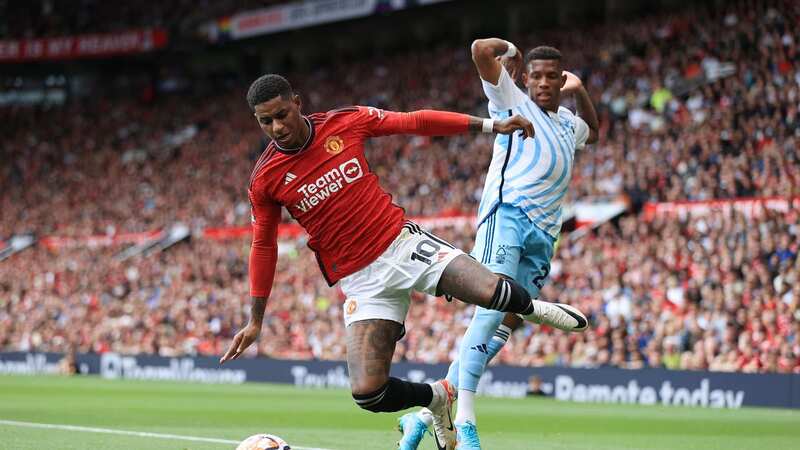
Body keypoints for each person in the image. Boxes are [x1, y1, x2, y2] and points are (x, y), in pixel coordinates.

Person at [219, 73, 574, 447]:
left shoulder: (345, 122)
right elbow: (263, 246)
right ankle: (437, 397)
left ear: (297, 102)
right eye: (265, 121)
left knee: (491, 291)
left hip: (402, 247)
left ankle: (535, 310)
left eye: (281, 114)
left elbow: (414, 121)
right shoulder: (265, 180)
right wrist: (255, 319)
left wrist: (490, 125)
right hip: (361, 281)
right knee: (368, 393)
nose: (277, 127)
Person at [397, 39, 598, 450]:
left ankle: (422, 417)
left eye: (552, 78)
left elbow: (592, 133)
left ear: (561, 81)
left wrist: (580, 92)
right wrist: (509, 49)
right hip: (506, 215)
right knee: (492, 307)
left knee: (504, 326)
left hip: (544, 234)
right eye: (536, 76)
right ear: (525, 79)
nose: (543, 83)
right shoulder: (512, 99)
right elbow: (478, 50)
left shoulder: (565, 123)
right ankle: (466, 423)